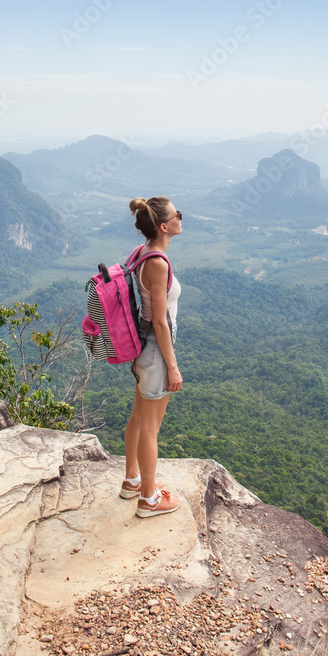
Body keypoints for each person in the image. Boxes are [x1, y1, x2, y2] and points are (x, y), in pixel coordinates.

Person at [120, 196, 183, 518]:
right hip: (154, 351)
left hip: (138, 350)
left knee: (138, 415)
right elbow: (159, 320)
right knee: (150, 426)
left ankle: (132, 480)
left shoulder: (140, 252)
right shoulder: (157, 263)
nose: (180, 219)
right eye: (177, 215)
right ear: (164, 226)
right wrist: (172, 366)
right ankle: (149, 499)